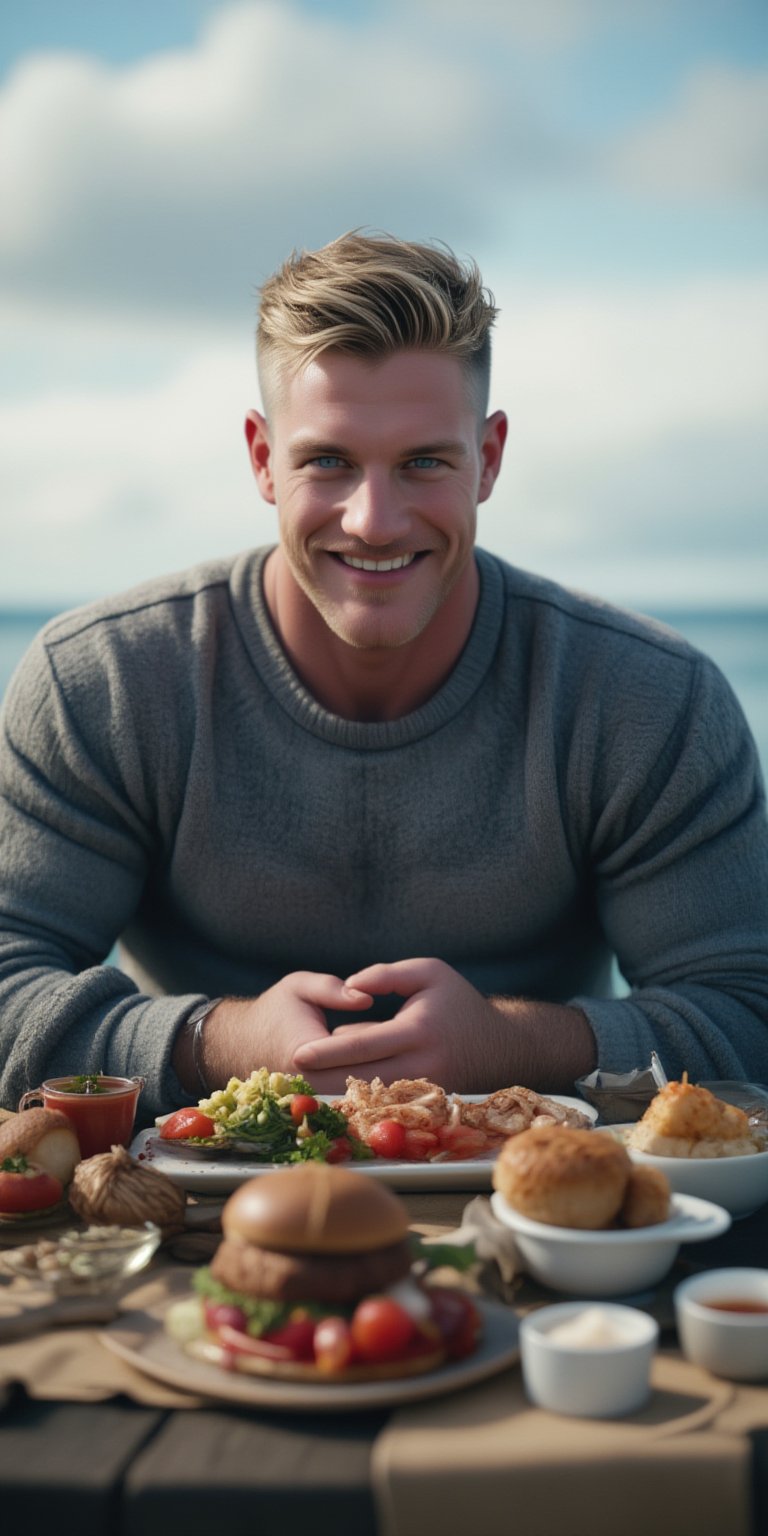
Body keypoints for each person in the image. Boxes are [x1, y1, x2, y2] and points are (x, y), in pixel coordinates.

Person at [1, 232, 767, 1123]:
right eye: (327, 461)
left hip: (549, 1216)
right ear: (261, 458)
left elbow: (746, 1018)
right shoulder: (104, 683)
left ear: (490, 457)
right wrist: (222, 1044)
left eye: (423, 463)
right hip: (188, 1209)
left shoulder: (646, 700)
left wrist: (512, 1047)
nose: (373, 520)